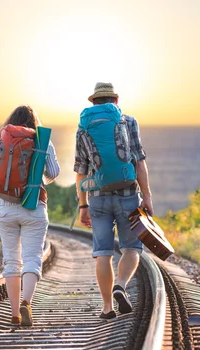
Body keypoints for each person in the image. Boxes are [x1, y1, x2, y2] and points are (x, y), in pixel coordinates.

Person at [74, 82, 154, 319]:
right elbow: (139, 161)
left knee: (103, 252)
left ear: (94, 102)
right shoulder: (128, 122)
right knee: (131, 247)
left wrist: (82, 205)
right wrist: (147, 196)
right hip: (128, 194)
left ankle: (107, 307)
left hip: (97, 198)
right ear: (115, 101)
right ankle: (120, 283)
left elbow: (80, 169)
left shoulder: (83, 126)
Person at [0, 105, 60, 327]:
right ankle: (27, 301)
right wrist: (36, 177)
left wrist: (7, 182)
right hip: (34, 206)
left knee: (11, 261)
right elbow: (53, 172)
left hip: (5, 207)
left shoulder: (2, 139)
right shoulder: (42, 140)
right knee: (33, 258)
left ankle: (15, 313)